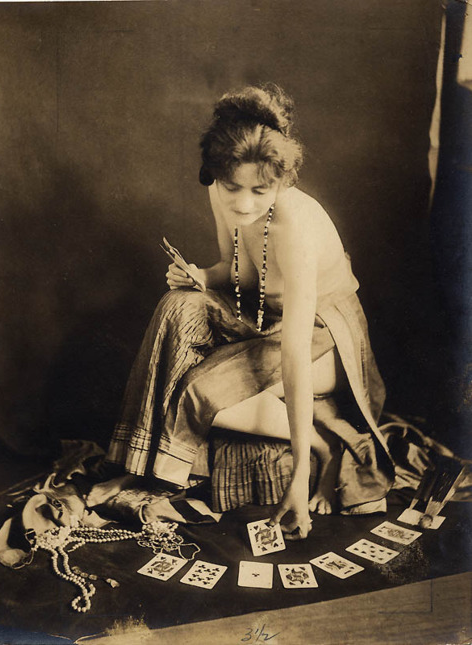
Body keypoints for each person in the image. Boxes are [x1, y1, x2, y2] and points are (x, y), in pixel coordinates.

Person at [87, 84, 393, 539]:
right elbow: (242, 273)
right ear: (215, 173)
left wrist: (297, 479)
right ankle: (139, 469)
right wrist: (202, 278)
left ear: (283, 182)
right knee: (178, 307)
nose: (244, 203)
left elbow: (292, 350)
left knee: (196, 391)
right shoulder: (222, 193)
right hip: (264, 317)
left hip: (322, 338)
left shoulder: (294, 228)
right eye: (233, 187)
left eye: (260, 190)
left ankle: (324, 445)